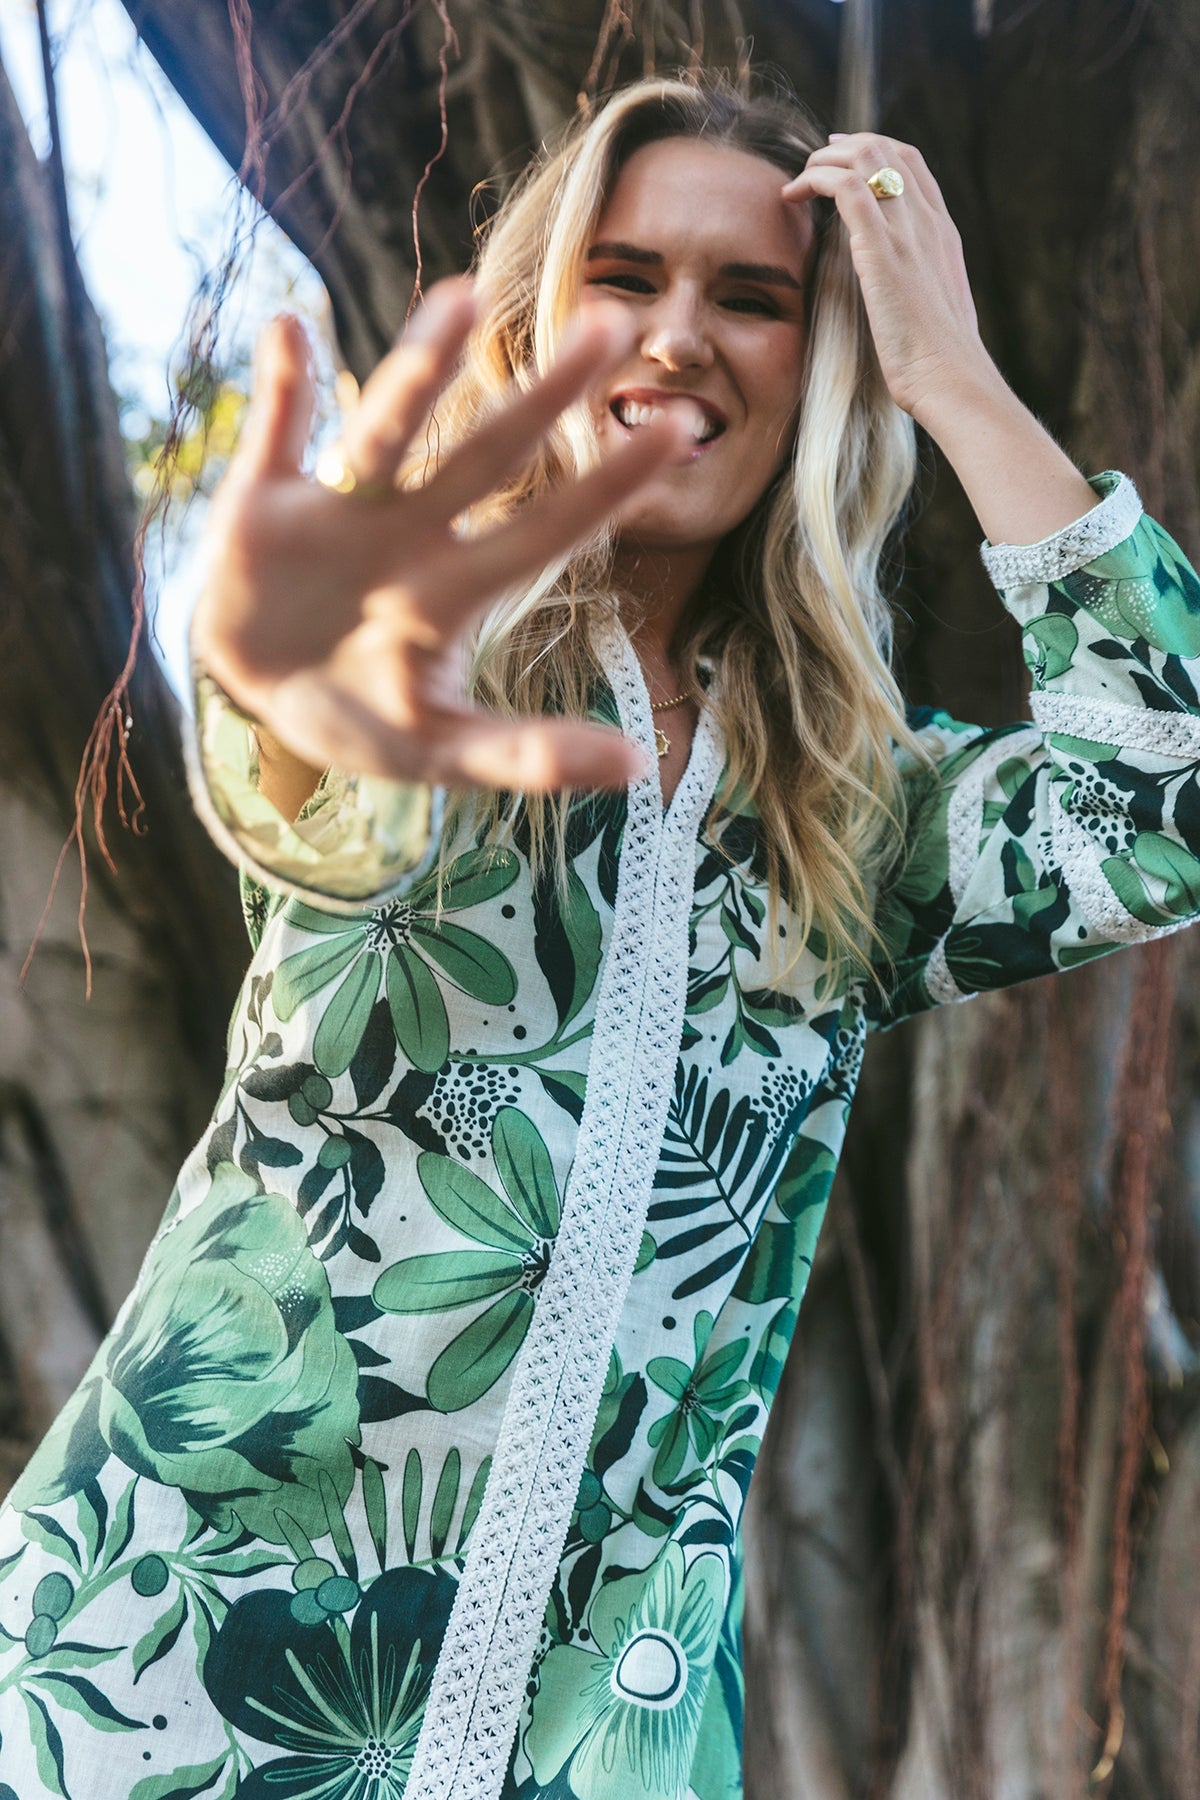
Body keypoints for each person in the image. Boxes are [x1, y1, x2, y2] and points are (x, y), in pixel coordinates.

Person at [2, 70, 1199, 1800]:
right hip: (159, 1699)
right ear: (543, 316)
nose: (683, 335)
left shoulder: (864, 815)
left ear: (826, 360)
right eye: (626, 277)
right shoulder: (424, 666)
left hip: (600, 1741)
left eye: (757, 298)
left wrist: (953, 372)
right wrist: (276, 675)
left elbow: (1164, 801)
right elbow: (308, 776)